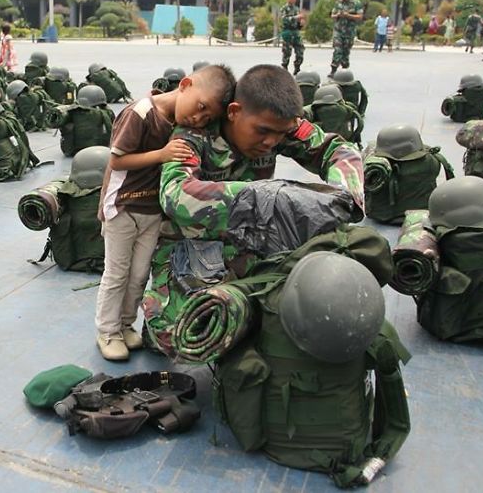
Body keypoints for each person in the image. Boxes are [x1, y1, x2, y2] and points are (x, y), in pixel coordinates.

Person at [142, 65, 365, 354]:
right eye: (262, 132)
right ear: (234, 111)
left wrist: (342, 197)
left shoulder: (279, 123)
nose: (271, 142)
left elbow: (339, 152)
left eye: (279, 134)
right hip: (198, 245)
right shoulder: (194, 135)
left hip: (257, 235)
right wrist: (260, 198)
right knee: (178, 337)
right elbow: (175, 195)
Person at [94, 64, 237, 361]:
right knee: (117, 273)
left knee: (139, 274)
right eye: (200, 107)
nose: (198, 118)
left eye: (207, 117)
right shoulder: (140, 113)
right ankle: (107, 332)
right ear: (185, 84)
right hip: (123, 207)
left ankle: (124, 325)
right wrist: (161, 155)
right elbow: (117, 161)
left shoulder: (182, 125)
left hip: (151, 212)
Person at [329, 0, 363, 77]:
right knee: (337, 49)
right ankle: (333, 69)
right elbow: (332, 15)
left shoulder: (356, 3)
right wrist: (338, 15)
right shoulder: (338, 3)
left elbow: (360, 17)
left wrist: (348, 15)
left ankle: (345, 70)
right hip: (338, 31)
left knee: (345, 52)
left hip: (349, 32)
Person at [279, 0, 304, 74]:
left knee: (300, 51)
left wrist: (301, 23)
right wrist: (295, 18)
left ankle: (297, 68)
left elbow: (299, 23)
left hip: (296, 32)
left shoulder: (297, 9)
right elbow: (284, 20)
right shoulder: (284, 8)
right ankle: (284, 68)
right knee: (287, 52)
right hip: (287, 32)